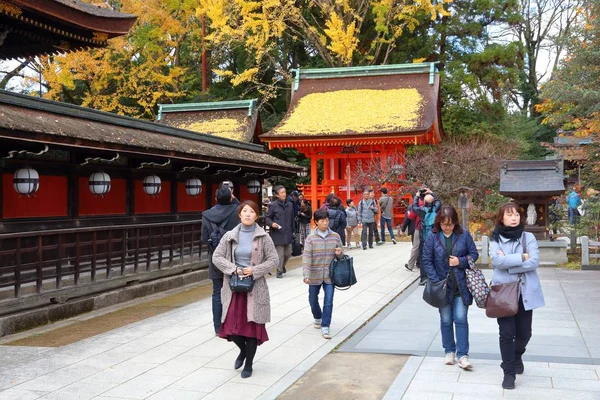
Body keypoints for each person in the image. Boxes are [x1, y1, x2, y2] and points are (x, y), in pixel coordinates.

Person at [212, 200, 278, 379]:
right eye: (245, 211)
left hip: (254, 289)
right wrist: (233, 268)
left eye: (252, 211)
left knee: (251, 329)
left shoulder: (264, 237)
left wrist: (255, 270)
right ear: (239, 214)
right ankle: (242, 351)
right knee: (232, 328)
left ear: (257, 215)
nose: (248, 214)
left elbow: (273, 259)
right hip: (234, 287)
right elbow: (217, 257)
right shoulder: (229, 236)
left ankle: (248, 364)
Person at [489, 202, 544, 390]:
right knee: (506, 333)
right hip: (503, 292)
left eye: (517, 215)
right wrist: (522, 257)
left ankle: (517, 354)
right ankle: (508, 372)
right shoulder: (495, 237)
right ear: (501, 217)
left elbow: (534, 262)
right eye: (509, 215)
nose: (514, 218)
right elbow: (496, 261)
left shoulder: (528, 237)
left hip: (525, 291)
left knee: (524, 333)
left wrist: (508, 263)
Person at [422, 204, 478, 371]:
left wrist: (460, 261)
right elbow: (426, 260)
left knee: (460, 318)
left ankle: (463, 355)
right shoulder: (433, 237)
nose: (448, 227)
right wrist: (435, 280)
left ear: (455, 223)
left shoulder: (464, 235)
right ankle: (449, 351)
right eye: (445, 224)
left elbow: (474, 254)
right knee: (446, 319)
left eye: (451, 223)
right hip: (442, 286)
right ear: (439, 222)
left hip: (461, 285)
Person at [201, 184, 240, 335]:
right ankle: (233, 324)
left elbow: (204, 238)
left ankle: (218, 328)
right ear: (231, 197)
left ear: (215, 198)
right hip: (234, 257)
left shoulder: (206, 215)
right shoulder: (237, 212)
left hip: (216, 257)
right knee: (235, 290)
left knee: (217, 292)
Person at [302, 208, 344, 339]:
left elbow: (341, 254)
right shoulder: (311, 238)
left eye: (327, 220)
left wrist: (339, 253)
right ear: (316, 222)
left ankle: (325, 326)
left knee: (329, 301)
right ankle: (317, 316)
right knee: (312, 299)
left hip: (330, 275)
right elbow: (307, 257)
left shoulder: (335, 236)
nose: (325, 223)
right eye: (322, 221)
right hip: (314, 274)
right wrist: (306, 274)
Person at [413, 188, 442, 285]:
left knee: (423, 257)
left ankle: (423, 278)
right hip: (435, 237)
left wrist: (417, 196)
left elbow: (414, 206)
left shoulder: (422, 211)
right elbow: (438, 202)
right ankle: (434, 276)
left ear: (424, 202)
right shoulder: (436, 209)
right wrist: (432, 193)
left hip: (424, 238)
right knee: (435, 256)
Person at [265, 185, 295, 278]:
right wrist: (272, 224)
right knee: (280, 254)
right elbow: (267, 218)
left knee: (288, 252)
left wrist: (294, 230)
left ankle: (282, 266)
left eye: (284, 192)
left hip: (288, 232)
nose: (284, 194)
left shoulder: (290, 204)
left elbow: (292, 218)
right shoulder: (273, 205)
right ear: (277, 195)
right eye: (282, 193)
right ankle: (279, 271)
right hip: (278, 232)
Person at [401, 204, 419, 271]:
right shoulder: (428, 205)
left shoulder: (412, 207)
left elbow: (407, 218)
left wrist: (403, 229)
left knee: (415, 246)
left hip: (414, 228)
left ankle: (414, 263)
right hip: (424, 229)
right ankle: (419, 262)